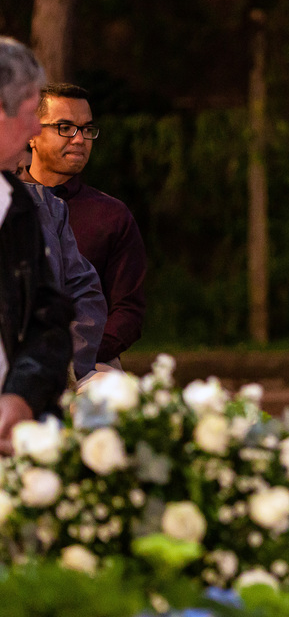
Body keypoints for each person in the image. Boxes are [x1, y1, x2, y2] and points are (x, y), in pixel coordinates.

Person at [23, 83, 145, 372]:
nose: (79, 139)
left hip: (91, 363)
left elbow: (128, 311)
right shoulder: (8, 203)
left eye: (86, 129)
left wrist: (76, 358)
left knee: (110, 395)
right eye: (65, 127)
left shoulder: (111, 215)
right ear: (31, 134)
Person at [0, 37, 73, 451]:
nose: (35, 132)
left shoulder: (18, 207)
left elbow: (48, 319)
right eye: (31, 114)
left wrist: (22, 396)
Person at [24, 181, 106, 384]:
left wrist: (67, 361)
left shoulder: (47, 204)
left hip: (52, 363)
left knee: (115, 391)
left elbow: (83, 290)